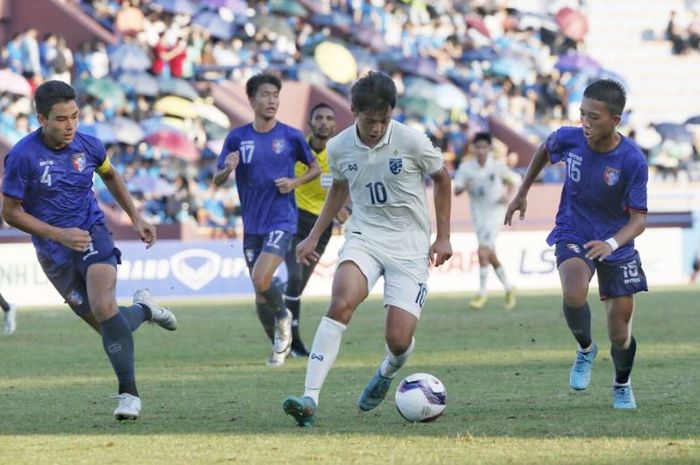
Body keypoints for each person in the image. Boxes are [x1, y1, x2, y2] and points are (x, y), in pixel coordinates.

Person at [282, 71, 453, 427]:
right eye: (369, 120)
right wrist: (314, 235)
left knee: (398, 339)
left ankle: (388, 370)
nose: (376, 128)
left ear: (392, 113)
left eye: (383, 120)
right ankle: (309, 398)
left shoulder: (411, 140)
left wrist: (443, 236)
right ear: (354, 111)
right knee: (341, 300)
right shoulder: (340, 146)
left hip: (409, 246)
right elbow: (340, 188)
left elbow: (442, 178)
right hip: (364, 237)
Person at [1, 80, 178, 420]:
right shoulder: (22, 157)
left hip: (92, 232)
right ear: (41, 119)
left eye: (75, 117)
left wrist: (135, 217)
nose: (70, 126)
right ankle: (144, 309)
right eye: (61, 119)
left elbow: (110, 176)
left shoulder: (89, 146)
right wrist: (57, 234)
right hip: (54, 253)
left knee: (103, 304)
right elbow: (9, 212)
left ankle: (129, 395)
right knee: (109, 324)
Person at [505, 79, 648, 410]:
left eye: (594, 117)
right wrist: (523, 191)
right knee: (573, 292)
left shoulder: (631, 160)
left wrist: (612, 243)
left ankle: (621, 383)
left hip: (617, 243)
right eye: (582, 114)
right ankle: (585, 349)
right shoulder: (570, 139)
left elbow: (639, 220)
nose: (585, 122)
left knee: (619, 332)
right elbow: (545, 147)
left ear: (615, 120)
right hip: (574, 230)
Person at [213, 73, 321, 367]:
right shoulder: (237, 137)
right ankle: (278, 340)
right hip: (252, 226)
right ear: (251, 100)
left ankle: (284, 316)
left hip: (282, 219)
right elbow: (217, 178)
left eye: (275, 95)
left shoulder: (290, 136)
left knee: (261, 277)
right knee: (261, 292)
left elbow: (314, 168)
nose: (272, 100)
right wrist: (228, 169)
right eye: (265, 95)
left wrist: (295, 183)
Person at [283, 102, 344, 358]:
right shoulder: (295, 149)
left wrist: (346, 209)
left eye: (329, 118)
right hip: (293, 222)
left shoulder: (339, 154)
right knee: (295, 279)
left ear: (335, 125)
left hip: (321, 227)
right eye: (319, 117)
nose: (324, 122)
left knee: (298, 287)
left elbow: (349, 186)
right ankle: (292, 342)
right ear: (310, 122)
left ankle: (285, 331)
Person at [454, 132, 518, 310]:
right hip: (478, 215)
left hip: (495, 214)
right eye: (478, 147)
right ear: (473, 148)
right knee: (490, 255)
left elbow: (514, 181)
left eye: (484, 147)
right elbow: (456, 190)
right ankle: (509, 288)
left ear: (489, 148)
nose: (481, 150)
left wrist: (507, 195)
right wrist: (465, 186)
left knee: (482, 252)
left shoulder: (497, 166)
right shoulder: (466, 168)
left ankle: (481, 294)